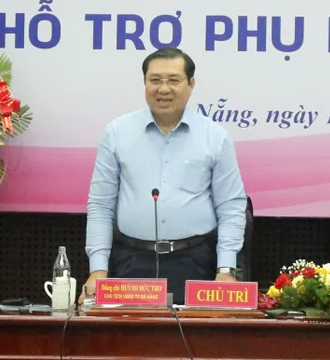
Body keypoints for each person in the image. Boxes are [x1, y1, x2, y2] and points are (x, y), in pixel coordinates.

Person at [81, 47, 247, 305]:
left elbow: (231, 207)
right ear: (145, 83)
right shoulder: (117, 133)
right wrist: (98, 270)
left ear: (191, 84)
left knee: (195, 332)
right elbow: (101, 205)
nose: (163, 89)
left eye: (173, 80)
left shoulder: (215, 137)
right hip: (131, 261)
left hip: (195, 262)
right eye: (155, 80)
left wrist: (225, 270)